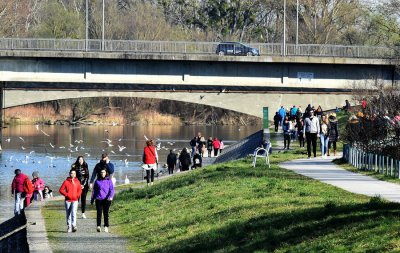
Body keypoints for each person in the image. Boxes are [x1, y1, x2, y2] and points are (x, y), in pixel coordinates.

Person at [91, 168, 115, 233]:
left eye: (103, 172)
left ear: (106, 173)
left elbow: (112, 190)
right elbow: (94, 191)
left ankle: (106, 226)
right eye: (101, 172)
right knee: (99, 213)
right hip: (99, 199)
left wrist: (110, 197)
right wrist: (92, 199)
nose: (102, 173)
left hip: (107, 199)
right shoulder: (97, 181)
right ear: (99, 173)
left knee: (106, 213)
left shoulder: (109, 181)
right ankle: (98, 226)